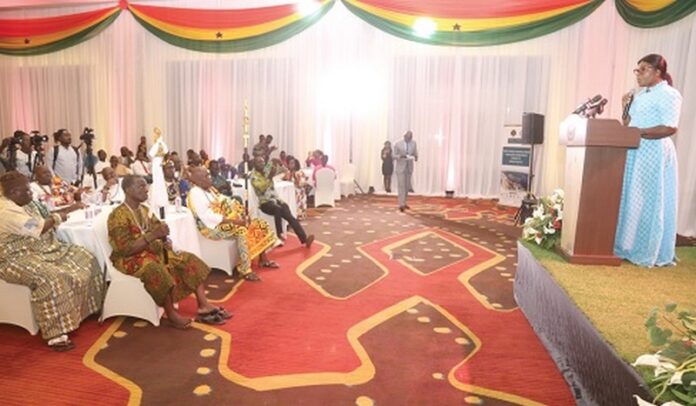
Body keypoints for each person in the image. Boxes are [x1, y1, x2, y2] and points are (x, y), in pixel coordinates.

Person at [0, 171, 104, 350]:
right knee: (51, 278)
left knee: (86, 257)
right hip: (15, 257)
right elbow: (38, 227)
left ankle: (88, 310)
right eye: (27, 190)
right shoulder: (5, 211)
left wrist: (72, 208)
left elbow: (47, 213)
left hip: (45, 250)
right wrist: (57, 218)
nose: (31, 193)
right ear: (13, 193)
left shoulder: (25, 202)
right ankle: (55, 334)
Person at [108, 175, 229, 328]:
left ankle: (203, 304)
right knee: (155, 269)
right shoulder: (117, 216)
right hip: (129, 259)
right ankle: (171, 313)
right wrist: (153, 235)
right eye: (141, 186)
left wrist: (165, 239)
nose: (146, 190)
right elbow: (125, 249)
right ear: (127, 190)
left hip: (152, 251)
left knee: (188, 259)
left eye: (146, 186)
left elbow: (159, 231)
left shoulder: (145, 211)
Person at [615, 54, 682, 267]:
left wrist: (638, 132)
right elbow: (627, 124)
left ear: (657, 72)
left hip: (654, 151)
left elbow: (670, 127)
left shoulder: (669, 94)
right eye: (637, 70)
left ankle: (647, 250)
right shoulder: (641, 95)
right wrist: (625, 105)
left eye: (643, 69)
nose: (638, 74)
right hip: (635, 149)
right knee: (632, 198)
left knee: (649, 200)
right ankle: (627, 246)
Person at [187, 166, 277, 282]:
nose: (210, 178)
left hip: (223, 221)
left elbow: (225, 201)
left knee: (258, 223)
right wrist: (234, 221)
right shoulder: (195, 193)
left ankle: (263, 258)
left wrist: (239, 214)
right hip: (210, 228)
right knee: (241, 230)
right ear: (199, 180)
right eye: (206, 176)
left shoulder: (209, 189)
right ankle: (245, 270)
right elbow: (207, 217)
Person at [251, 156, 314, 247]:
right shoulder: (253, 176)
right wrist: (269, 177)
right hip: (265, 203)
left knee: (288, 214)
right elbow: (262, 188)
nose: (262, 164)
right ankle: (279, 235)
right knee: (278, 209)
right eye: (259, 162)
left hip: (276, 200)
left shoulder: (266, 170)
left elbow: (281, 169)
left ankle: (304, 239)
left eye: (263, 162)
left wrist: (278, 163)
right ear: (254, 164)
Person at [393, 130, 418, 212]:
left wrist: (415, 157)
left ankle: (404, 202)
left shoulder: (414, 143)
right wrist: (400, 156)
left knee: (407, 186)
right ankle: (401, 204)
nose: (409, 139)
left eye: (410, 137)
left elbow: (415, 153)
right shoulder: (398, 144)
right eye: (407, 137)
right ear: (404, 136)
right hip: (400, 167)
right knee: (401, 186)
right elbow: (393, 156)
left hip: (409, 167)